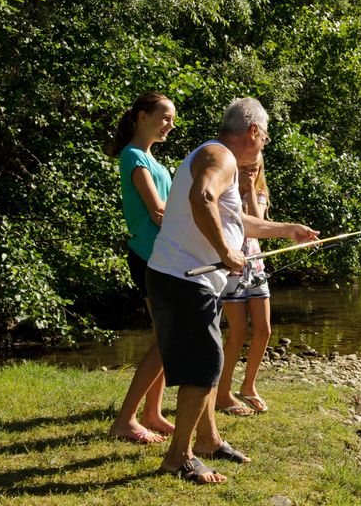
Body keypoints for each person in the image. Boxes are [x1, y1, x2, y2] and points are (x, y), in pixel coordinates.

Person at [146, 97, 319, 484]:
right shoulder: (219, 157)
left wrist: (287, 228)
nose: (264, 145)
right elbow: (201, 197)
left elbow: (234, 218)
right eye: (266, 138)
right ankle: (179, 458)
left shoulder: (214, 155)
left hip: (178, 276)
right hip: (183, 279)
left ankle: (208, 439)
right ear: (253, 132)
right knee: (205, 365)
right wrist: (226, 251)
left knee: (207, 362)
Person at [104, 91, 177, 444]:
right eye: (164, 117)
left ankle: (152, 413)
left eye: (172, 119)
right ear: (141, 117)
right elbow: (159, 211)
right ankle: (125, 420)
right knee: (167, 338)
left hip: (161, 256)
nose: (170, 125)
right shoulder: (134, 157)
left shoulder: (150, 158)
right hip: (150, 257)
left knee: (164, 336)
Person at [215, 153, 273, 416]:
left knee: (264, 330)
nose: (251, 171)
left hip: (256, 266)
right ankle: (222, 392)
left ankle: (248, 386)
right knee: (238, 332)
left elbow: (259, 223)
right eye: (245, 168)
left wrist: (250, 188)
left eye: (255, 168)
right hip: (231, 270)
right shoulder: (225, 190)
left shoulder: (258, 191)